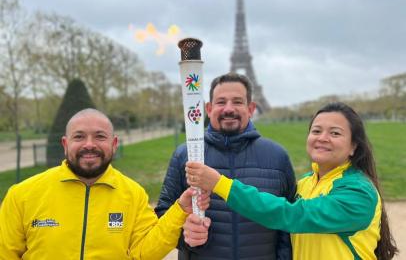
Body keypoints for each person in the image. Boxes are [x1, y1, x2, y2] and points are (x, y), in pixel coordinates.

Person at [186, 102, 399, 260]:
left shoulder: (358, 192)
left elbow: (289, 214)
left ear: (354, 146)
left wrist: (220, 184)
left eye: (335, 133)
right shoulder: (306, 182)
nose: (322, 138)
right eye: (316, 131)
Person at [0, 108, 210, 260]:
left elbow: (145, 252)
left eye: (100, 136)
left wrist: (180, 209)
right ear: (65, 144)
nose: (89, 144)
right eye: (79, 136)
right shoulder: (22, 195)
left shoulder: (133, 194)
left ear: (114, 143)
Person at [155, 73, 296, 259]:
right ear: (209, 108)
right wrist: (185, 235)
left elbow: (288, 223)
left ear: (251, 108)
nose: (228, 109)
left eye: (237, 102)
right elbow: (162, 214)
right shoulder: (184, 155)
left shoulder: (278, 156)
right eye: (221, 102)